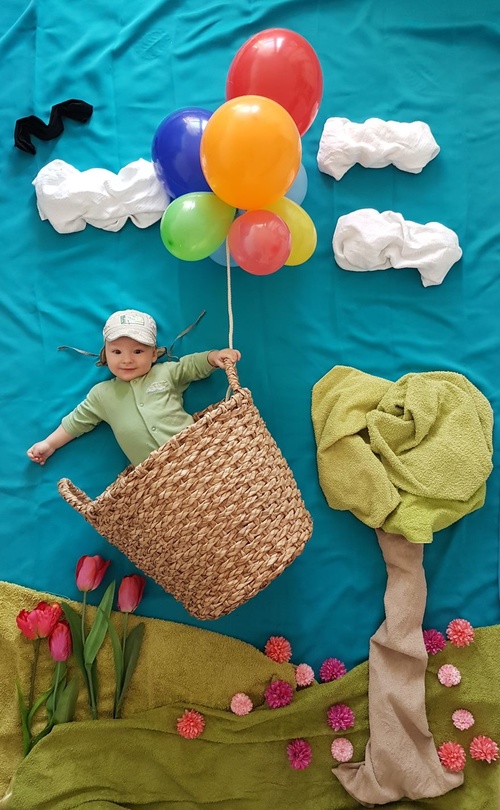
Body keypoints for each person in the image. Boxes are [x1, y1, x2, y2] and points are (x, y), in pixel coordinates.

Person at [27, 308, 241, 468]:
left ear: (153, 354)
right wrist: (50, 444)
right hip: (155, 476)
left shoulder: (165, 373)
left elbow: (190, 366)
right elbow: (76, 422)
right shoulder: (102, 394)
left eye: (137, 352)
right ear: (105, 355)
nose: (127, 360)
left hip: (196, 453)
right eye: (117, 352)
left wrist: (213, 357)